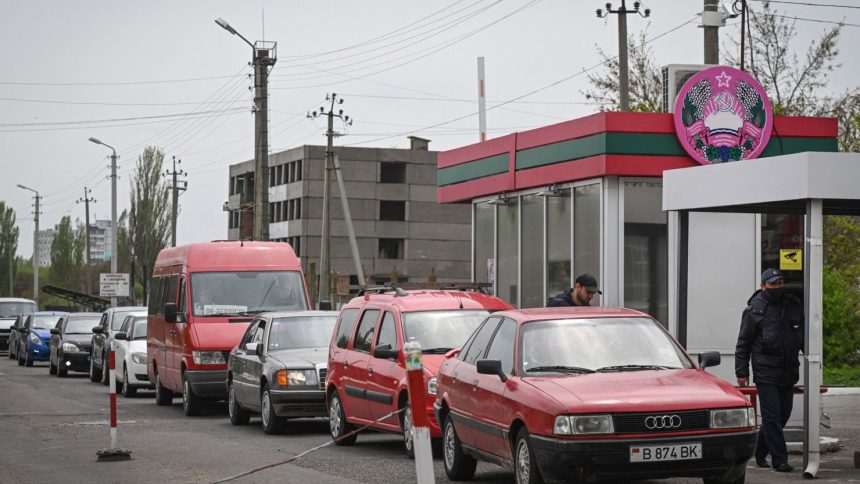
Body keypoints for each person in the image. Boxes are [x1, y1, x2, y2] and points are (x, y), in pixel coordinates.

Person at [735, 268, 803, 473]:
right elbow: (743, 343)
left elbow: (802, 337)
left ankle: (759, 449)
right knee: (772, 416)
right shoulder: (754, 310)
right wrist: (742, 372)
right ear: (763, 286)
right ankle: (780, 460)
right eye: (773, 284)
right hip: (765, 370)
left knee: (783, 414)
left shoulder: (792, 305)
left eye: (780, 283)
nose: (777, 287)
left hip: (788, 369)